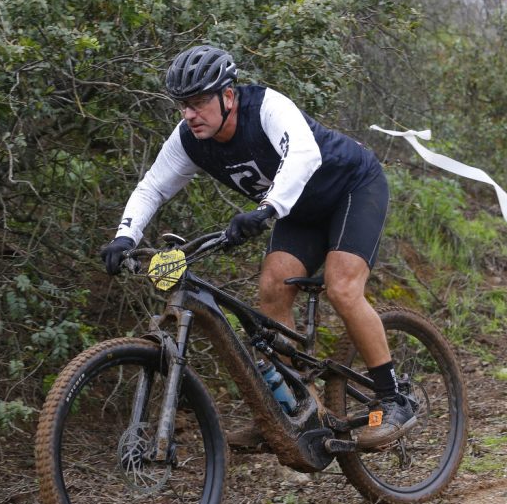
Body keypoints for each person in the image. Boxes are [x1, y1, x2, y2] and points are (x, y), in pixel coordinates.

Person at [100, 44, 414, 450]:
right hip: (299, 211)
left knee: (342, 287)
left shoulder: (266, 107)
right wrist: (125, 235)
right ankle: (295, 412)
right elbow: (153, 187)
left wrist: (266, 208)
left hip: (352, 188)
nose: (189, 114)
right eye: (182, 105)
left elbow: (302, 154)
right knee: (272, 288)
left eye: (198, 103)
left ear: (228, 96)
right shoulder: (190, 139)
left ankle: (393, 398)